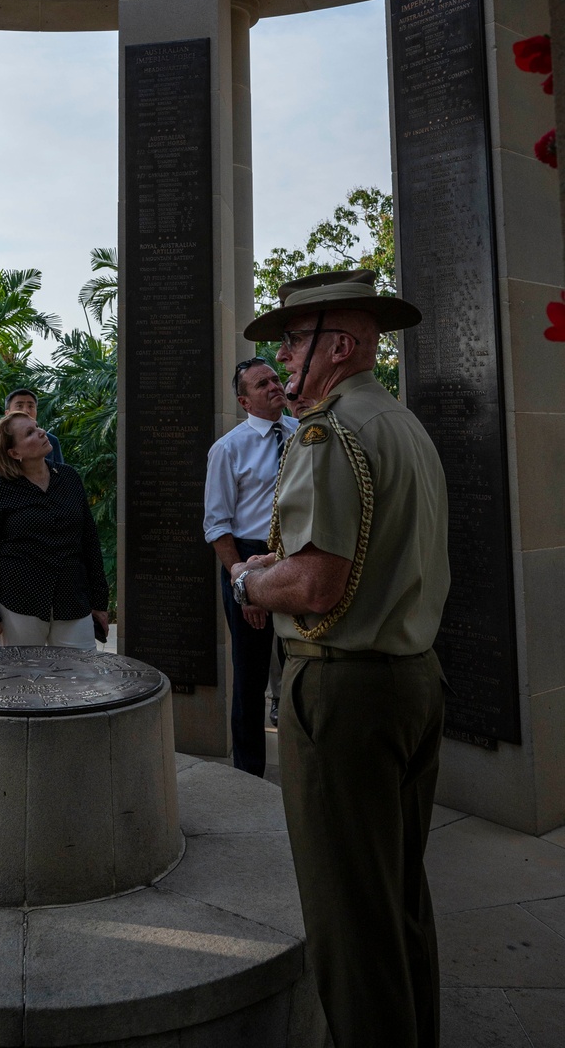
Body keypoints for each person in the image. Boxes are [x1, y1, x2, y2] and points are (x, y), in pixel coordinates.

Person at [232, 270, 450, 1048]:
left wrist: (251, 576)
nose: (284, 355)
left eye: (295, 338)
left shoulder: (329, 434)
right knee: (397, 901)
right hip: (413, 681)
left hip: (345, 692)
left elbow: (317, 581)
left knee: (348, 923)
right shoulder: (402, 424)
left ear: (344, 345)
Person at [203, 357, 298, 774]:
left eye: (276, 379)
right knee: (251, 677)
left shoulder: (303, 434)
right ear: (244, 400)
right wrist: (245, 585)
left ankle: (302, 766)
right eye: (262, 384)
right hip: (247, 560)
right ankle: (249, 776)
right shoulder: (228, 449)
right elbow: (217, 526)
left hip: (298, 557)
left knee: (301, 671)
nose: (274, 386)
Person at [0, 411, 109, 649]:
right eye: (30, 433)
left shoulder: (69, 478)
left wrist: (99, 602)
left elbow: (89, 541)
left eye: (37, 427)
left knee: (81, 681)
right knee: (21, 682)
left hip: (73, 600)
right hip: (19, 604)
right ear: (14, 453)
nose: (41, 432)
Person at [0, 389, 63, 509]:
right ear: (7, 413)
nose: (26, 410)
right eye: (19, 405)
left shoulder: (50, 441)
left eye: (31, 406)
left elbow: (62, 482)